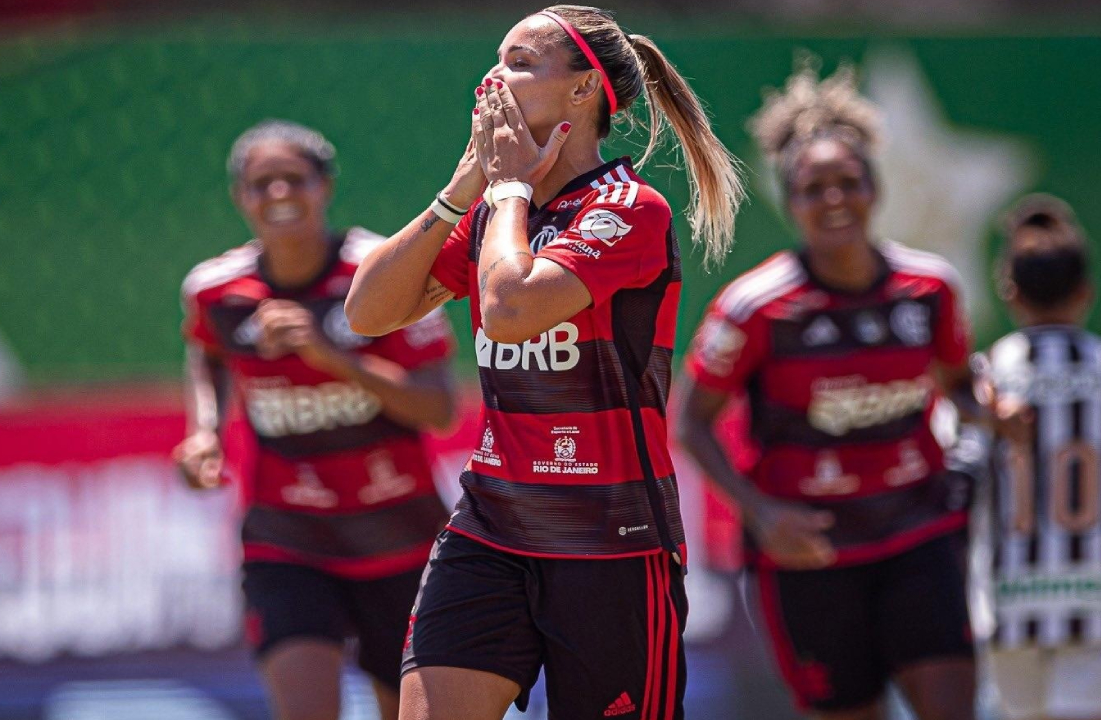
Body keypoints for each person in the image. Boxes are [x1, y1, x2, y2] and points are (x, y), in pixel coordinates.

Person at [344, 6, 744, 719]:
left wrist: (506, 194)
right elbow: (366, 313)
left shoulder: (628, 208)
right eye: (497, 58)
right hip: (490, 528)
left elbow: (509, 307)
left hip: (611, 543)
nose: (494, 77)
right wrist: (461, 190)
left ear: (584, 90)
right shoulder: (495, 215)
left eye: (522, 62)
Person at [677, 63, 977, 720]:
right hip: (809, 552)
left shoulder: (931, 288)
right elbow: (690, 422)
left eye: (848, 182)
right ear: (791, 202)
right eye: (814, 188)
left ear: (875, 189)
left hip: (917, 535)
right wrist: (759, 513)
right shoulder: (755, 307)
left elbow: (960, 385)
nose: (833, 199)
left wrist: (992, 414)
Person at [174, 120, 457, 720]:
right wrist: (203, 431)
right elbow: (208, 350)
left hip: (400, 538)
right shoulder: (215, 289)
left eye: (294, 179)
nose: (279, 195)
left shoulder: (382, 271)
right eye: (261, 183)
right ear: (240, 197)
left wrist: (331, 359)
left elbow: (438, 409)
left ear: (324, 186)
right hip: (287, 540)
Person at [972, 194, 1101, 720]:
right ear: (1086, 293)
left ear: (1009, 293)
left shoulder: (985, 380)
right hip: (1093, 606)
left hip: (1009, 605)